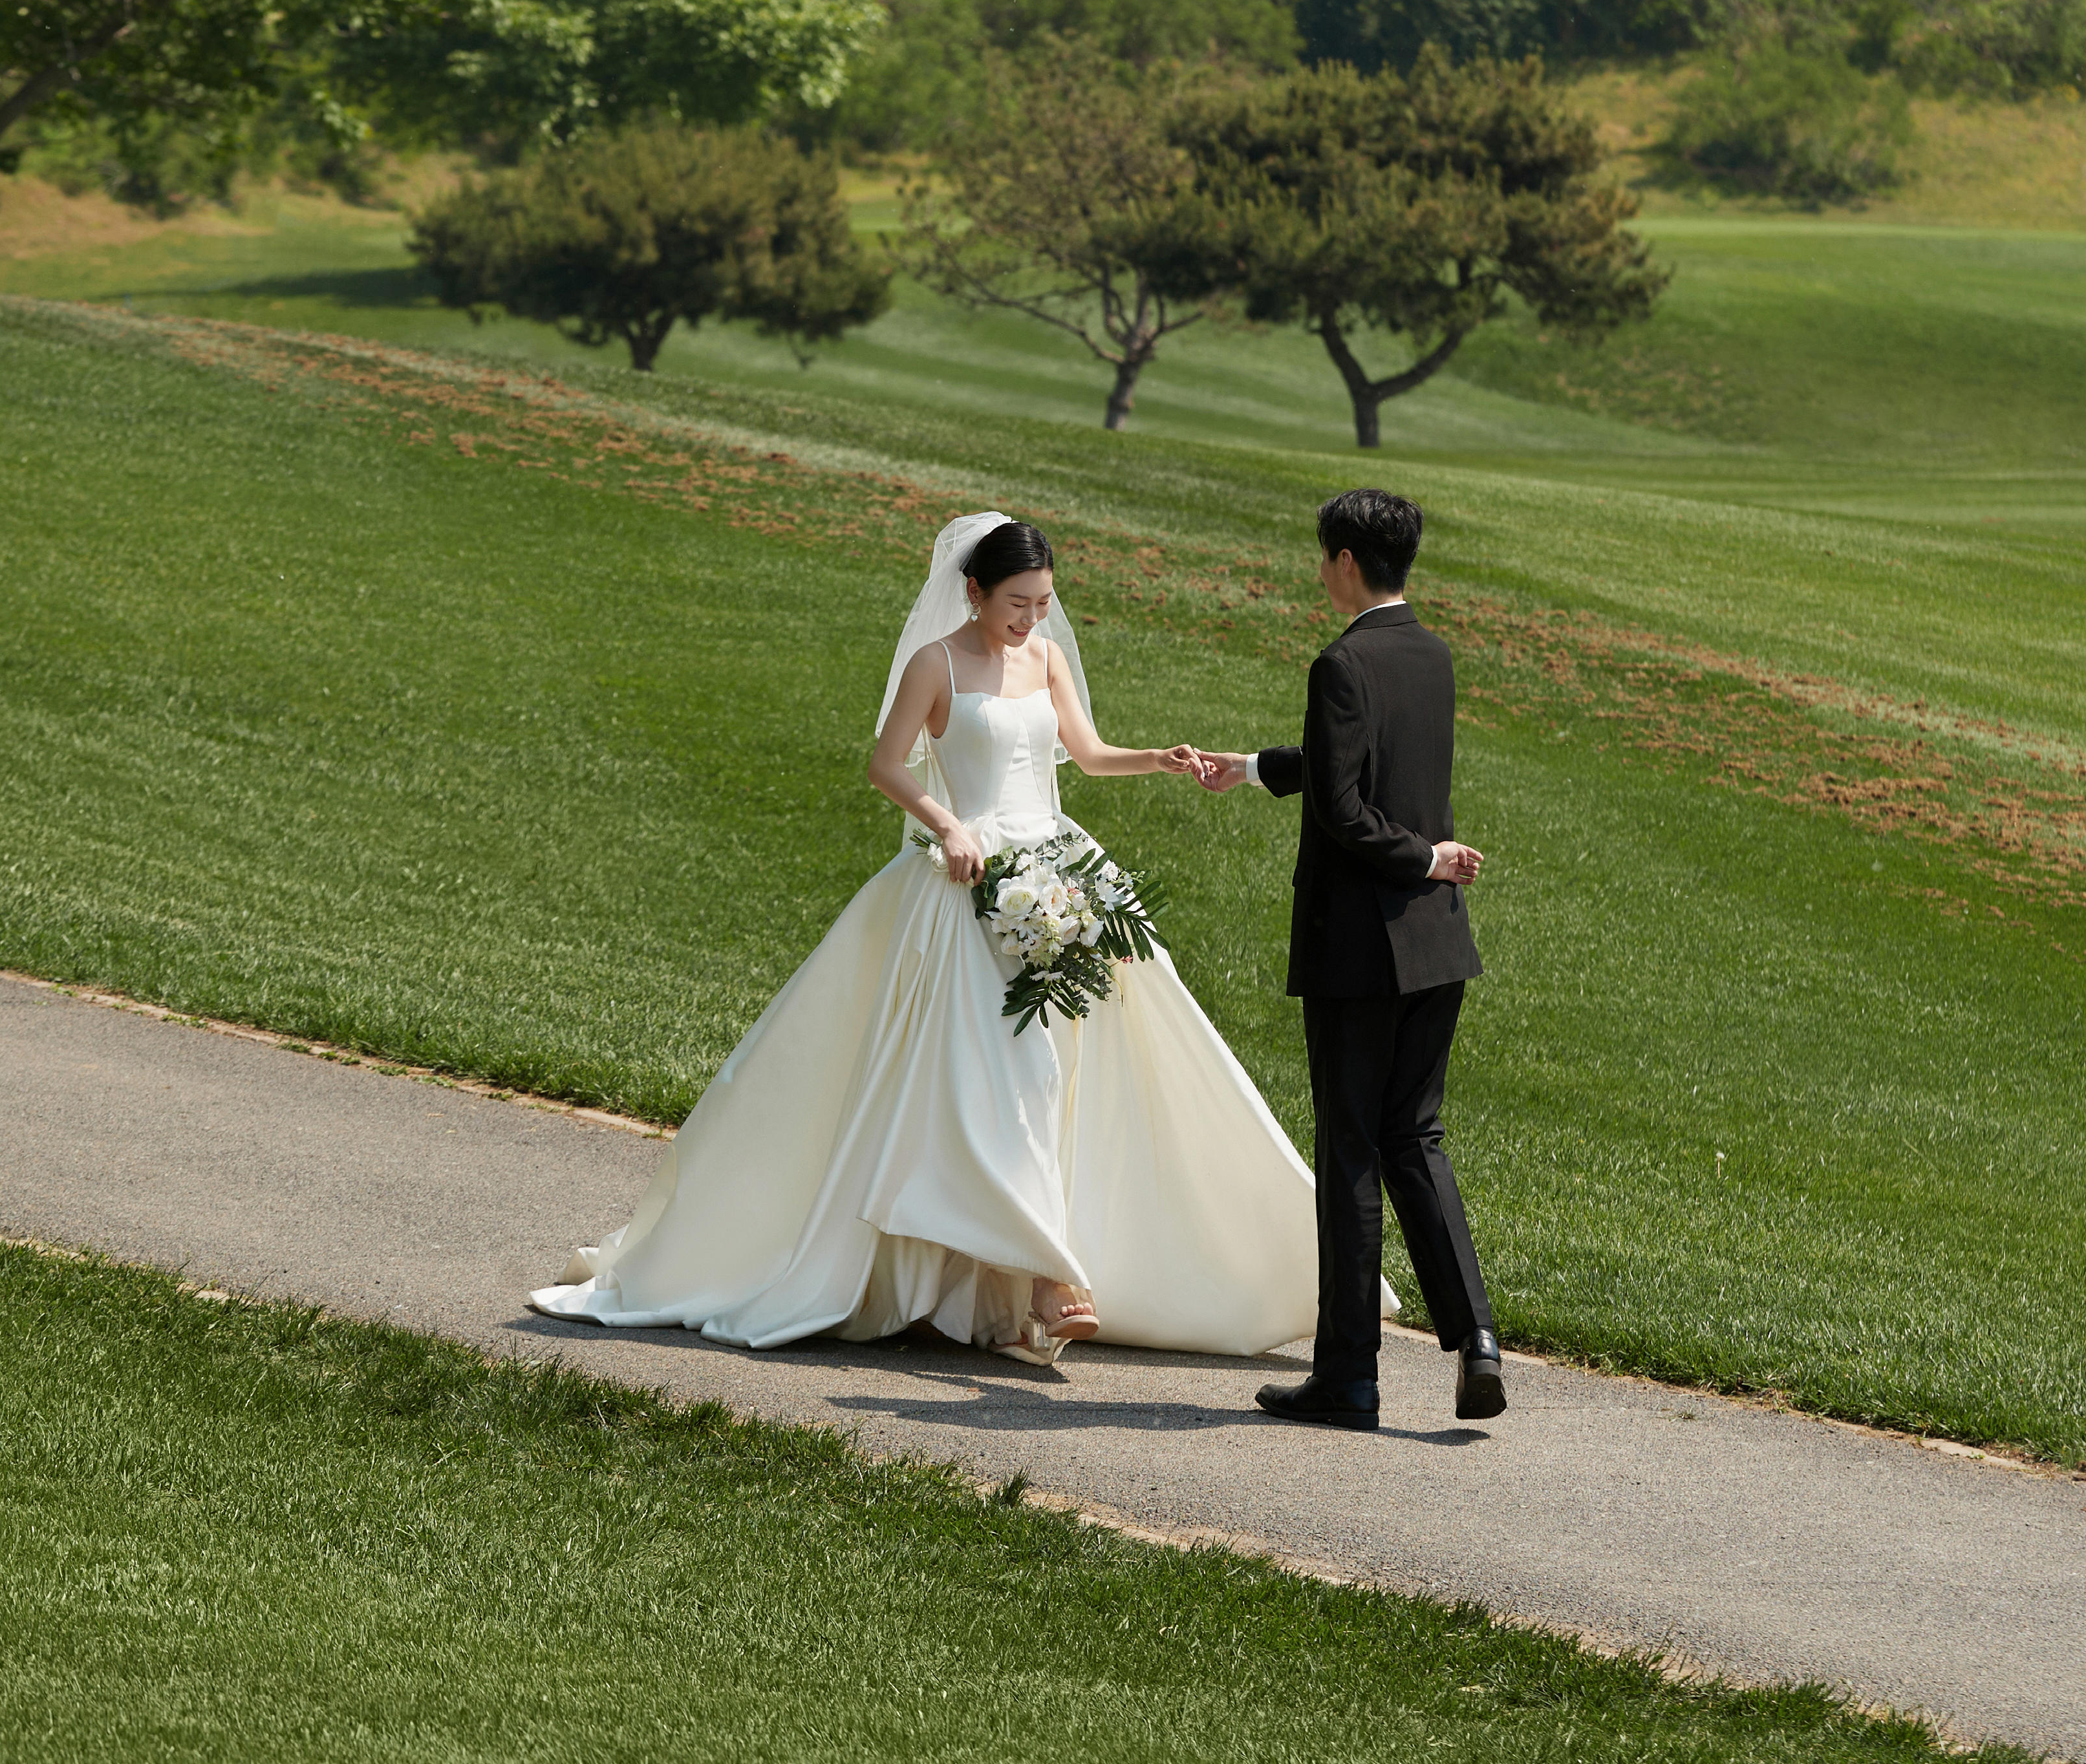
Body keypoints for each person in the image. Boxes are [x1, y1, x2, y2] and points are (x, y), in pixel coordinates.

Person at [532, 513, 1360, 1366]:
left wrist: (1157, 758)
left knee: (1066, 1071)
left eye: (1042, 603)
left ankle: (1035, 1276)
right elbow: (887, 764)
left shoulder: (1046, 657)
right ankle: (1045, 1276)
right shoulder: (937, 664)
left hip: (1056, 874)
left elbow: (1087, 752)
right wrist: (947, 826)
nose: (1030, 619)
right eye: (1015, 603)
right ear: (972, 590)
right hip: (966, 882)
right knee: (1007, 1071)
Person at [1192, 488, 1502, 1430]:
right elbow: (1356, 766)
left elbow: (1345, 809)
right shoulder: (1429, 654)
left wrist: (1422, 854)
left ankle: (1348, 1380)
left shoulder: (1341, 661)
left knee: (1353, 1154)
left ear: (1344, 561)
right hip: (1437, 942)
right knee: (1418, 1140)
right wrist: (1248, 768)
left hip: (1358, 955)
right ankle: (1477, 1340)